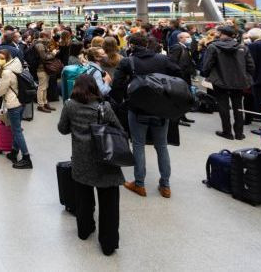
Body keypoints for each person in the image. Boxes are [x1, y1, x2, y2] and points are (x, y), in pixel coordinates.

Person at [58, 74, 123, 256]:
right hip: (105, 160)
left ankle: (84, 230)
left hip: (81, 160)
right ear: (95, 87)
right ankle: (108, 243)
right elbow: (119, 130)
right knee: (109, 203)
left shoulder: (70, 105)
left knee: (83, 198)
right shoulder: (104, 107)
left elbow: (62, 129)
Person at [111, 33, 181, 198]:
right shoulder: (162, 59)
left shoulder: (128, 61)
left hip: (137, 108)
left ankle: (140, 184)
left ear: (132, 46)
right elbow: (179, 73)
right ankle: (165, 185)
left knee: (138, 144)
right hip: (161, 108)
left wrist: (122, 100)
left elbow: (117, 85)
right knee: (161, 146)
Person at [202, 25, 255, 140]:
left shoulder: (213, 47)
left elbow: (207, 65)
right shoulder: (243, 48)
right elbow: (251, 66)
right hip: (239, 81)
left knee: (223, 106)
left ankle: (227, 132)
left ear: (222, 33)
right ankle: (239, 133)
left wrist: (206, 75)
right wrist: (246, 77)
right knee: (238, 106)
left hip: (219, 81)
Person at [0, 49, 31, 169]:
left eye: (1, 58)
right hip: (21, 101)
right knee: (17, 128)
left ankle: (26, 158)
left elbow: (0, 92)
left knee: (17, 131)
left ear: (6, 59)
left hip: (13, 103)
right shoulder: (17, 65)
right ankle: (14, 152)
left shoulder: (6, 72)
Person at [168, 31, 197, 126]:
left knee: (184, 98)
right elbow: (172, 62)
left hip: (185, 76)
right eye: (187, 37)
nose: (190, 38)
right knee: (179, 98)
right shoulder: (177, 47)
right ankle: (178, 118)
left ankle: (183, 116)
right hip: (180, 77)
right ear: (180, 38)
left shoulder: (185, 47)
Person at [34, 31, 58, 113]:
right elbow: (44, 57)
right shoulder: (40, 45)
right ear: (44, 36)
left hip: (44, 68)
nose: (50, 38)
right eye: (49, 36)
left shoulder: (41, 44)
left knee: (45, 86)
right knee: (42, 87)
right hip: (41, 69)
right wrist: (53, 54)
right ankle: (41, 105)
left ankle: (45, 102)